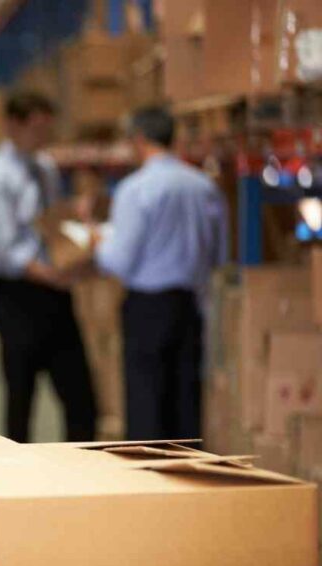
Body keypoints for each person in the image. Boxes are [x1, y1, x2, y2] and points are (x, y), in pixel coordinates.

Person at [0, 91, 96, 443]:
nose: (42, 138)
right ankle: (17, 480)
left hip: (54, 292)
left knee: (81, 396)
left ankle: (83, 474)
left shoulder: (45, 169)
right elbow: (7, 251)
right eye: (36, 129)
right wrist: (55, 276)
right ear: (12, 125)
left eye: (46, 129)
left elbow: (48, 223)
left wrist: (76, 233)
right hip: (18, 296)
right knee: (21, 394)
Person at [93, 106, 228, 440]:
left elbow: (119, 260)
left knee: (146, 407)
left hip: (147, 308)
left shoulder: (134, 190)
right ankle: (189, 481)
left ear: (138, 139)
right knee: (186, 404)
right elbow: (219, 253)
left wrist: (98, 242)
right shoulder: (204, 187)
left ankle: (151, 485)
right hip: (189, 305)